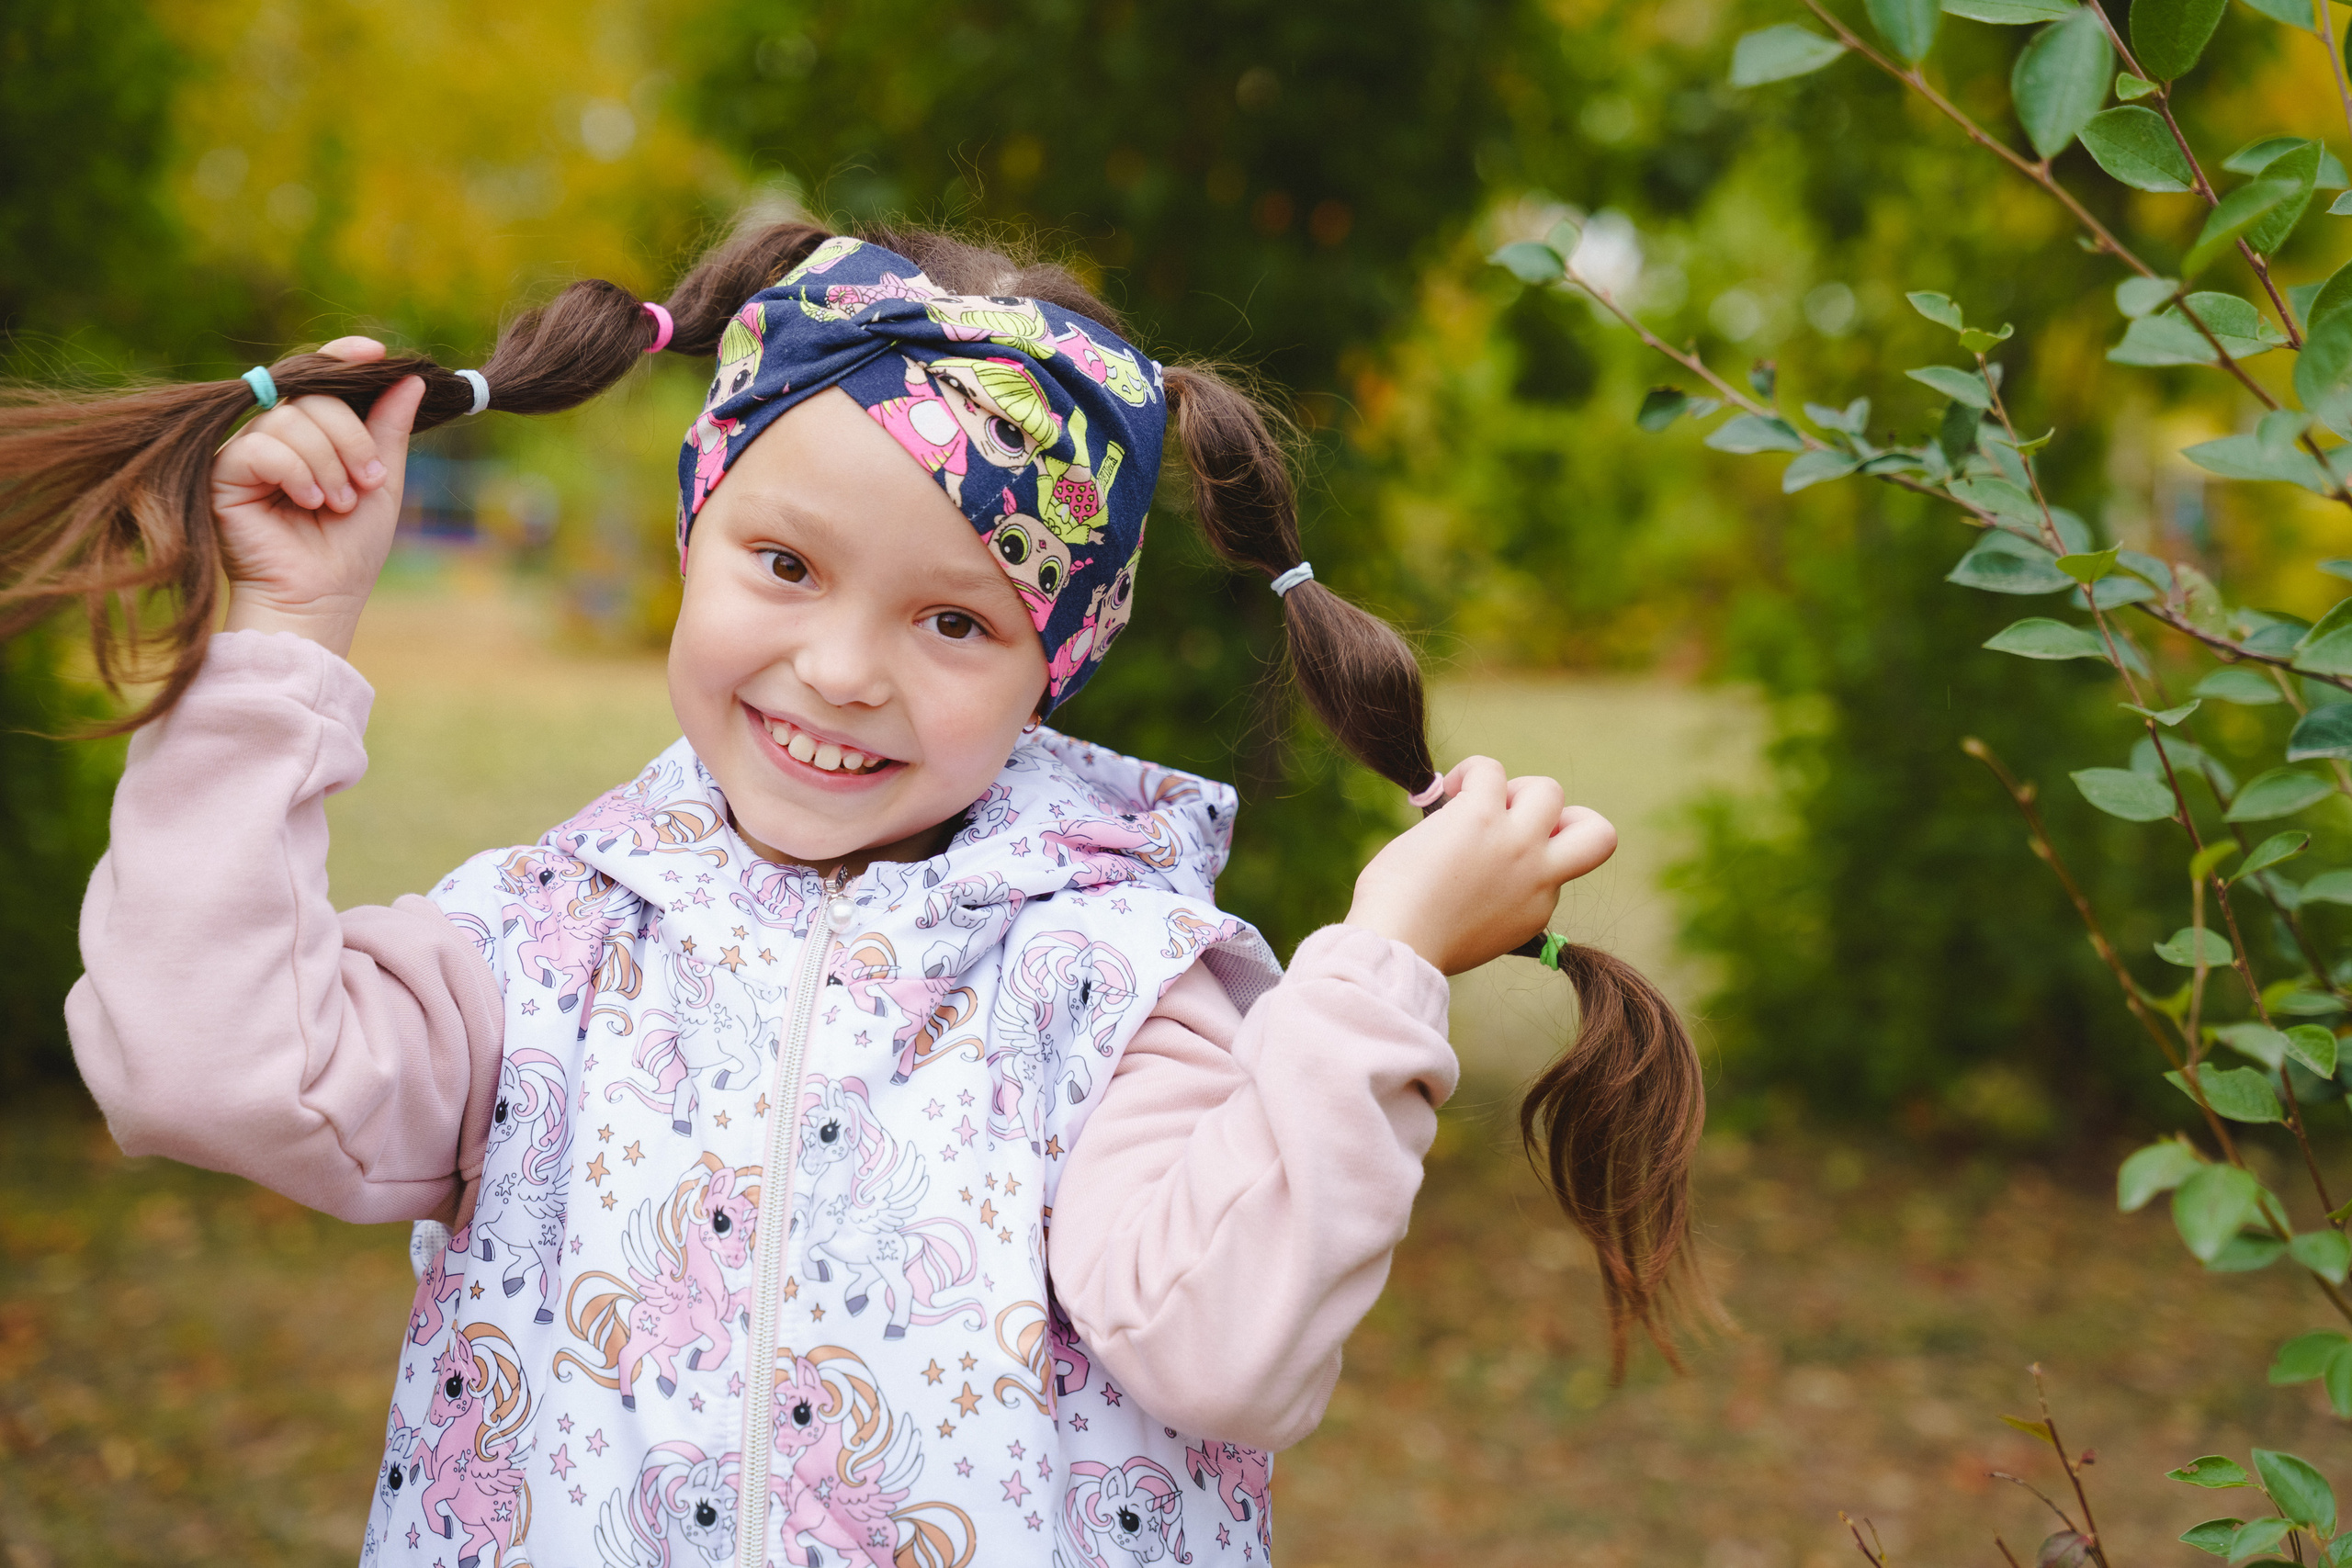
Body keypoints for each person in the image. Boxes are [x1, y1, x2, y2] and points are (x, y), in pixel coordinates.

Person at [8, 222, 1708, 1567]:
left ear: (1059, 662)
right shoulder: (551, 937)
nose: (838, 670)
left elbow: (1228, 1350)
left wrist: (1386, 967)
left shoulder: (1109, 977)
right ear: (696, 534)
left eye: (954, 620)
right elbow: (197, 1061)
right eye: (786, 566)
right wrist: (283, 645)